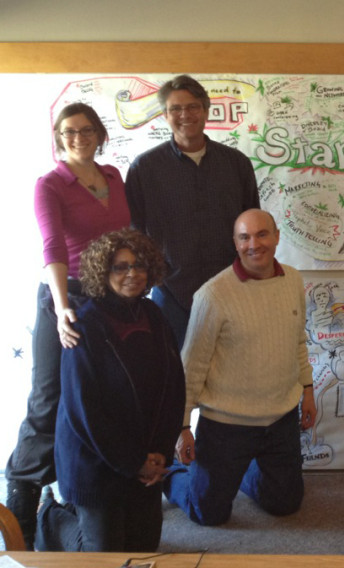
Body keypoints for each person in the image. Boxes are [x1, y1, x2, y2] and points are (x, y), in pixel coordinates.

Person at [6, 102, 131, 549]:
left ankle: (86, 496)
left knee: (98, 398)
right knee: (47, 401)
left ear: (99, 134)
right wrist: (61, 308)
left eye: (85, 130)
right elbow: (53, 247)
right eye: (67, 132)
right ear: (58, 138)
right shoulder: (50, 185)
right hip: (66, 299)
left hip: (110, 300)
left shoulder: (114, 178)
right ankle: (18, 509)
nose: (77, 137)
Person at [163, 209, 316, 526]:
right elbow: (191, 367)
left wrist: (308, 390)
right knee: (208, 514)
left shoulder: (293, 281)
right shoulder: (213, 295)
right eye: (244, 237)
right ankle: (174, 475)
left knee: (285, 504)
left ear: (276, 237)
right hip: (226, 424)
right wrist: (181, 428)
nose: (254, 244)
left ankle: (242, 469)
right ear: (235, 243)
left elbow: (297, 341)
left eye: (262, 234)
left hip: (280, 419)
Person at [35, 228, 184, 552]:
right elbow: (84, 412)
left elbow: (174, 388)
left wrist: (159, 451)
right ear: (103, 272)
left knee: (144, 548)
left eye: (139, 265)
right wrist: (133, 462)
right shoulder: (83, 325)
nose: (132, 274)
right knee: (103, 555)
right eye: (121, 266)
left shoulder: (155, 316)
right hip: (94, 462)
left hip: (144, 454)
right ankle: (51, 517)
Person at [125, 74, 260, 349]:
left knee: (229, 374)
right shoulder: (144, 169)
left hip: (231, 288)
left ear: (206, 110)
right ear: (165, 115)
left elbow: (253, 229)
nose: (184, 114)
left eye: (192, 107)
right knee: (176, 377)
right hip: (170, 295)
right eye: (175, 108)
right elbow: (134, 233)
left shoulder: (236, 164)